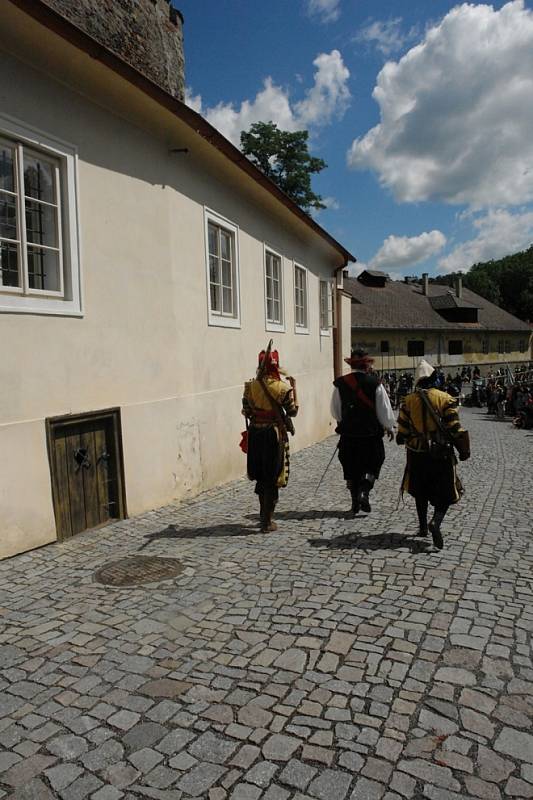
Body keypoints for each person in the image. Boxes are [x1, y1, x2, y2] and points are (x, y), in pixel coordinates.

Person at [396, 359, 470, 549]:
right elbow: (455, 428)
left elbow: (402, 431)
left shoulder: (408, 401)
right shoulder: (445, 399)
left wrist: (403, 437)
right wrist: (464, 449)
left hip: (417, 453)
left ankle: (422, 527)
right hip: (440, 454)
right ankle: (435, 523)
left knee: (420, 491)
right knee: (445, 492)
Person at [331, 349, 396, 515]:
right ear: (367, 365)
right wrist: (389, 426)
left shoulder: (340, 383)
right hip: (370, 435)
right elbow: (384, 409)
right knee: (374, 462)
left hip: (349, 435)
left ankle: (354, 504)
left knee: (351, 467)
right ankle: (364, 492)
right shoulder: (375, 383)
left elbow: (335, 411)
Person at [242, 346, 298, 532]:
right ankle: (266, 521)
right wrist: (294, 390)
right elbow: (293, 412)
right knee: (272, 476)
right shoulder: (282, 388)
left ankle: (263, 517)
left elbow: (247, 411)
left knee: (261, 475)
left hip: (256, 434)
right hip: (273, 435)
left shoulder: (250, 386)